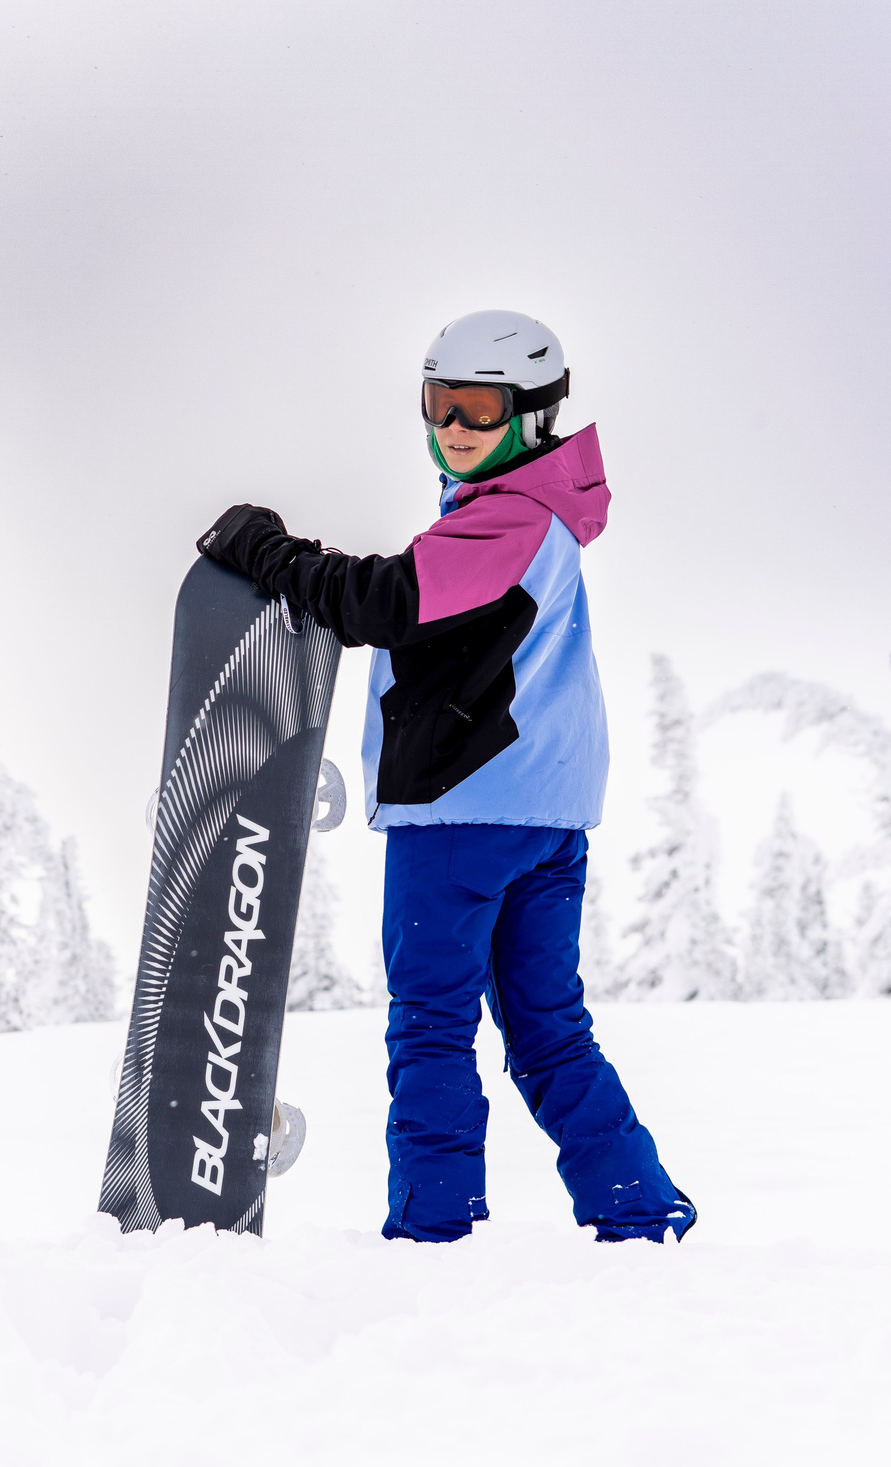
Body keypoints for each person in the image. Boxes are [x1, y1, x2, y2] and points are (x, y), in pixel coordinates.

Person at [196, 308, 695, 1245]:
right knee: (548, 1030)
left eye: (478, 406)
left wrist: (262, 547)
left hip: (464, 820)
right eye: (437, 403)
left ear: (533, 415)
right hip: (541, 818)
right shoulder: (533, 519)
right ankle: (637, 1212)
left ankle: (433, 1234)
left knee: (430, 1026)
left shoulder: (509, 520)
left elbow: (376, 601)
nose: (453, 426)